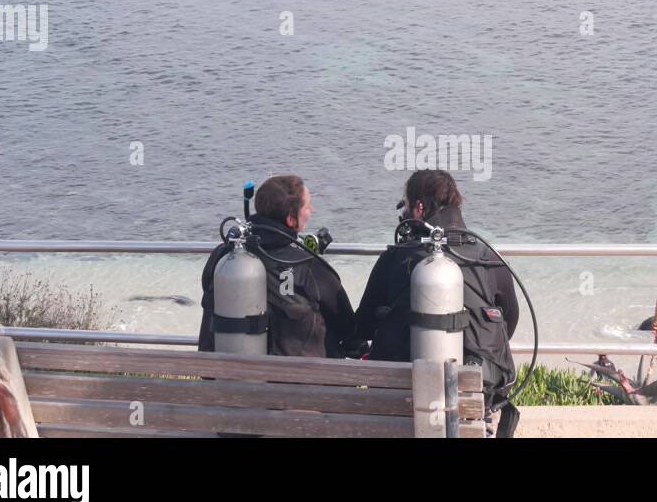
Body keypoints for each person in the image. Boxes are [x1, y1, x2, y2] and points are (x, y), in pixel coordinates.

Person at [354, 169, 521, 436]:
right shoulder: (487, 257)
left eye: (406, 206)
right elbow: (509, 322)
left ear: (419, 208)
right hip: (475, 396)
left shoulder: (395, 258)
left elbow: (361, 326)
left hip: (402, 400)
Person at [198, 175, 356, 358]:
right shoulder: (307, 264)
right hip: (295, 381)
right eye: (307, 206)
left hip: (219, 374)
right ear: (290, 219)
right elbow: (347, 325)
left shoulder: (223, 256)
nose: (311, 210)